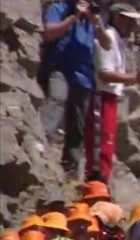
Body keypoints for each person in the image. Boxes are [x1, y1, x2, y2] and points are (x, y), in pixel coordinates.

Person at [87, 3, 140, 182]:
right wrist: (135, 78)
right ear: (118, 18)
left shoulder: (118, 39)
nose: (133, 25)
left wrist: (137, 78)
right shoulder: (109, 35)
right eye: (129, 20)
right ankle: (96, 182)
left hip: (110, 97)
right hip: (101, 96)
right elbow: (104, 73)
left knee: (107, 144)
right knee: (100, 145)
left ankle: (102, 181)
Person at [41, 0, 111, 172]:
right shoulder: (61, 8)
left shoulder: (93, 17)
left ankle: (70, 166)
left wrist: (97, 24)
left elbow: (107, 44)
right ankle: (41, 141)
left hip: (84, 77)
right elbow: (49, 32)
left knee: (77, 123)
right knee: (57, 99)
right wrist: (74, 17)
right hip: (60, 68)